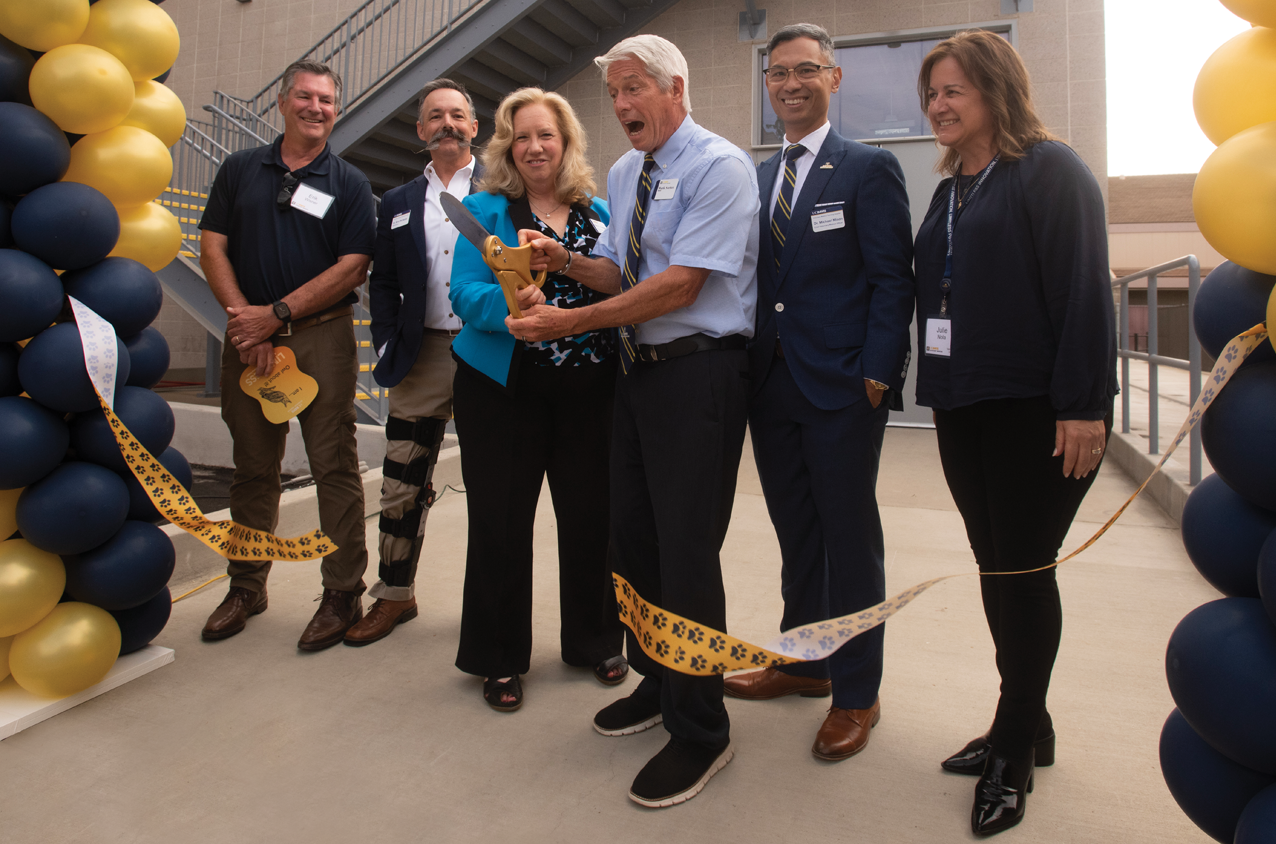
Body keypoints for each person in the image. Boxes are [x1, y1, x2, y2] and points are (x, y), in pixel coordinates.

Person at [509, 35, 760, 808]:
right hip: (638, 376)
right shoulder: (626, 172)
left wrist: (571, 325)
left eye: (633, 90)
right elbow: (621, 269)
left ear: (676, 89)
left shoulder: (720, 167)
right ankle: (660, 684)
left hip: (700, 375)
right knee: (636, 544)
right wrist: (562, 260)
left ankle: (702, 730)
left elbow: (682, 287)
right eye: (614, 94)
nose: (620, 107)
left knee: (687, 552)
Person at [912, 30, 1116, 836]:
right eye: (931, 93)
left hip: (1037, 410)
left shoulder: (1049, 170)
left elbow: (1081, 292)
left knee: (1024, 574)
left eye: (953, 90)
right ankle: (1032, 724)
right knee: (995, 568)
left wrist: (1084, 406)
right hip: (963, 407)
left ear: (997, 89)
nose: (937, 105)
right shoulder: (950, 191)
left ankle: (1011, 752)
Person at [724, 23, 915, 763]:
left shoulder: (868, 168)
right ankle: (804, 664)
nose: (790, 84)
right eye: (777, 74)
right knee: (798, 537)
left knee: (849, 542)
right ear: (766, 85)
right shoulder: (758, 177)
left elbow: (890, 279)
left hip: (842, 389)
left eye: (806, 70)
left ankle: (857, 694)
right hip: (771, 387)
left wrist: (878, 373)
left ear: (834, 79)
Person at [449, 87, 626, 713]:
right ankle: (498, 657)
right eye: (521, 136)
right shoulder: (483, 209)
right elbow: (463, 296)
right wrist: (508, 306)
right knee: (499, 522)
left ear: (567, 141)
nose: (534, 147)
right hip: (504, 392)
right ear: (507, 147)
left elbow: (622, 284)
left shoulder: (601, 210)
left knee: (592, 518)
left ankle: (597, 640)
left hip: (589, 390)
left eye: (545, 134)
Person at [197, 60, 376, 649]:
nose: (316, 108)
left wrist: (276, 316)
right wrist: (244, 321)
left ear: (336, 108)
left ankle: (343, 591)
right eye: (305, 96)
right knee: (253, 467)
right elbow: (213, 242)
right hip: (247, 335)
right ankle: (247, 585)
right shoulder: (241, 169)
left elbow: (353, 265)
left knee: (333, 465)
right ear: (282, 101)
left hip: (319, 337)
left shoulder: (347, 183)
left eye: (327, 100)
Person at [350, 79, 480, 646]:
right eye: (435, 116)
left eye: (457, 114)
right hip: (420, 355)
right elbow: (384, 285)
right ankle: (394, 596)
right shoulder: (398, 202)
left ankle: (487, 612)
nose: (447, 123)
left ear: (475, 126)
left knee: (497, 488)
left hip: (487, 353)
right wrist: (383, 345)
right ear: (421, 130)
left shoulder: (504, 189)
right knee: (401, 484)